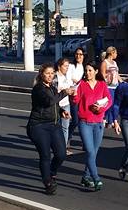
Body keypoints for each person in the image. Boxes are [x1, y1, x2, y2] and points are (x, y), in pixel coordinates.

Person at [26, 63, 73, 195]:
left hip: (53, 124)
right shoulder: (38, 89)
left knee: (61, 154)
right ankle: (47, 182)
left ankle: (51, 172)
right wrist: (64, 92)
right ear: (42, 74)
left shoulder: (52, 88)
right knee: (45, 155)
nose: (50, 76)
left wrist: (62, 111)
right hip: (38, 126)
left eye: (52, 73)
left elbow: (54, 104)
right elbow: (48, 101)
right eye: (47, 73)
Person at [74, 63, 111, 191]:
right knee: (89, 151)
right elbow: (76, 100)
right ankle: (96, 178)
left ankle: (85, 177)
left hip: (99, 123)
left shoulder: (102, 84)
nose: (87, 73)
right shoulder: (82, 85)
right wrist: (72, 95)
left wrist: (101, 108)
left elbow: (109, 100)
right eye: (86, 70)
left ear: (96, 71)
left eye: (90, 70)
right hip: (85, 122)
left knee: (94, 153)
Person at [65, 48, 86, 151]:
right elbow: (69, 79)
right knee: (75, 121)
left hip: (83, 96)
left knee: (83, 120)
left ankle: (85, 141)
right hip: (74, 95)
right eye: (77, 54)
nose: (78, 56)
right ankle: (67, 137)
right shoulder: (72, 66)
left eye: (81, 54)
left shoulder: (85, 67)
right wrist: (76, 82)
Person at [54, 57, 75, 154]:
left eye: (68, 66)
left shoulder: (66, 77)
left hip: (66, 104)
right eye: (65, 66)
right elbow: (53, 93)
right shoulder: (55, 77)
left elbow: (69, 88)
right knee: (56, 127)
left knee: (65, 127)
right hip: (57, 106)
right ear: (59, 67)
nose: (67, 68)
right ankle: (56, 147)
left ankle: (64, 148)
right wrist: (63, 91)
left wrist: (72, 91)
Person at [101, 46, 121, 131]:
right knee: (110, 104)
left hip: (115, 86)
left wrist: (122, 82)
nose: (116, 55)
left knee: (115, 104)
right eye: (116, 53)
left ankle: (112, 120)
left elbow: (117, 74)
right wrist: (107, 79)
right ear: (112, 53)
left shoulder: (115, 63)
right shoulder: (105, 63)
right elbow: (102, 74)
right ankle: (104, 118)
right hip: (108, 86)